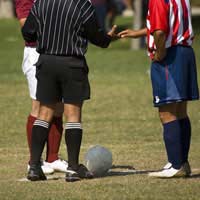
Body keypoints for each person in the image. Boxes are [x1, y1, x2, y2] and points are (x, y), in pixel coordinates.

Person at [21, 0, 117, 181]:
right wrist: (109, 37)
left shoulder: (41, 3)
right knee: (72, 115)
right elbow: (98, 38)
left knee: (44, 113)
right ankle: (73, 168)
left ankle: (34, 167)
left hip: (47, 63)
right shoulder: (83, 5)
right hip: (72, 64)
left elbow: (27, 32)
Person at [119, 0, 199, 178]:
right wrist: (139, 33)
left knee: (166, 111)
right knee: (180, 111)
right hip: (185, 52)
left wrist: (160, 53)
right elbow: (169, 25)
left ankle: (175, 164)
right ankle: (182, 162)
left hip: (170, 56)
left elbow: (161, 32)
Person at [15, 0, 68, 174]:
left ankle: (52, 158)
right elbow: (26, 28)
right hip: (36, 53)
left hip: (58, 51)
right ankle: (34, 161)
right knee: (39, 106)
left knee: (59, 107)